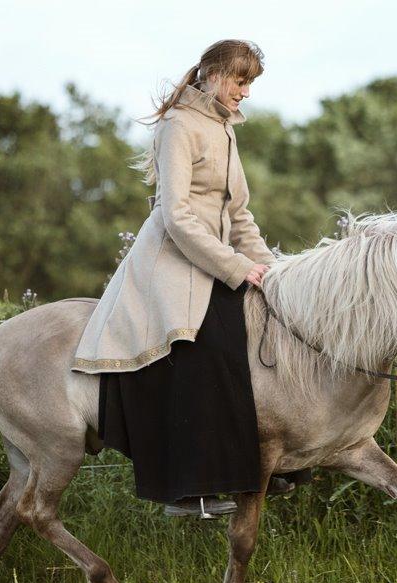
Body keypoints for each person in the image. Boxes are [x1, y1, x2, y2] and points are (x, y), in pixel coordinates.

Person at [71, 39, 309, 518]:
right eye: (241, 82)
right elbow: (177, 217)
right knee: (211, 347)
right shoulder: (179, 125)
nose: (246, 92)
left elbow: (239, 215)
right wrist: (239, 269)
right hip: (171, 261)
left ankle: (267, 462)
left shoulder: (224, 129)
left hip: (213, 259)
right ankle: (187, 492)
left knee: (266, 330)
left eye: (250, 84)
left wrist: (275, 274)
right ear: (217, 74)